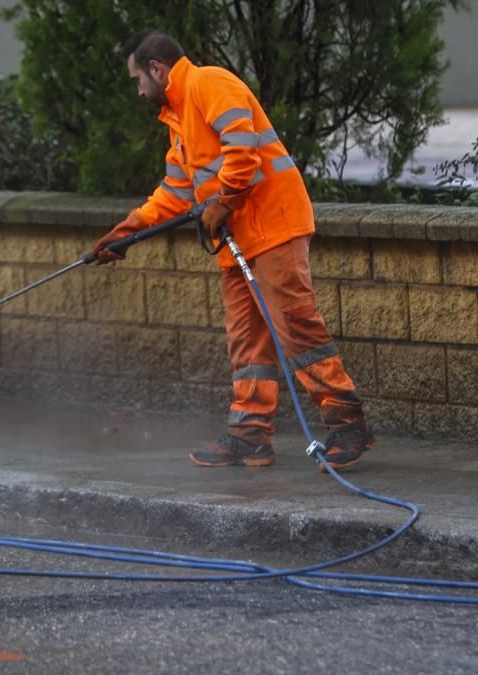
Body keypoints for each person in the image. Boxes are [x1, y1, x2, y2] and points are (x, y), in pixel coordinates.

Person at [92, 29, 375, 472]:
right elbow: (174, 193)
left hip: (273, 226)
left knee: (296, 327)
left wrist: (222, 202)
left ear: (156, 69)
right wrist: (124, 233)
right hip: (241, 238)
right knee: (247, 341)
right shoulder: (178, 119)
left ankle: (347, 423)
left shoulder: (209, 83)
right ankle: (249, 436)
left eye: (137, 79)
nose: (138, 89)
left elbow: (243, 150)